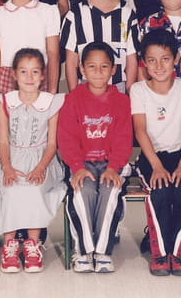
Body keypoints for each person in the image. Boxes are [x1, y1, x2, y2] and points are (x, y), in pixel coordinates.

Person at [0, 48, 66, 273]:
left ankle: (32, 245)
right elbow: (3, 140)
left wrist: (40, 168)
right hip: (11, 158)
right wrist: (7, 167)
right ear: (14, 75)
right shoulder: (5, 101)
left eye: (35, 71)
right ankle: (9, 245)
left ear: (43, 75)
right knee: (10, 188)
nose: (29, 77)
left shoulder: (51, 102)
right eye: (23, 71)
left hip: (42, 160)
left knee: (34, 188)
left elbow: (52, 144)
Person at [58, 42, 133, 273]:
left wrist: (113, 167)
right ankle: (83, 251)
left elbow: (123, 138)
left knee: (110, 190)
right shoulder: (72, 100)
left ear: (113, 69)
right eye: (92, 66)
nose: (98, 72)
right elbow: (67, 138)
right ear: (82, 69)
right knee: (83, 191)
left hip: (112, 164)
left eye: (104, 66)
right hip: (82, 164)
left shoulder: (121, 101)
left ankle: (102, 252)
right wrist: (77, 167)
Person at [131, 30, 181, 276]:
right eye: (152, 60)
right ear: (144, 62)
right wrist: (157, 166)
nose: (159, 66)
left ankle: (179, 253)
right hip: (152, 157)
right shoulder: (138, 90)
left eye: (165, 59)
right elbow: (140, 131)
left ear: (176, 58)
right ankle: (159, 253)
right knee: (159, 191)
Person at [60, 0, 139, 94]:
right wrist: (74, 95)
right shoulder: (74, 15)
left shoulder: (128, 15)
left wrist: (129, 93)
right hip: (85, 89)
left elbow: (131, 59)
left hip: (118, 88)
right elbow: (71, 61)